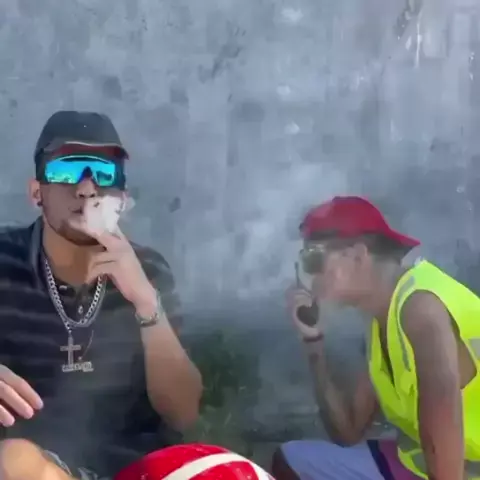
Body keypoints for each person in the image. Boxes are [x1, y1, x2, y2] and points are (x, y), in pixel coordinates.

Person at [0, 111, 203, 480]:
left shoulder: (148, 269)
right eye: (67, 171)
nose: (86, 188)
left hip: (139, 469)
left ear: (121, 198)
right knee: (15, 461)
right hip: (37, 465)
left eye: (104, 174)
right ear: (36, 193)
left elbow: (184, 413)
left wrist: (146, 302)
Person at [271, 196, 480, 480]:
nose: (310, 277)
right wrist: (313, 343)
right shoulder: (380, 320)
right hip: (422, 465)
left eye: (313, 260)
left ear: (358, 256)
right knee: (291, 460)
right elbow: (347, 432)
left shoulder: (420, 309)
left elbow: (443, 434)